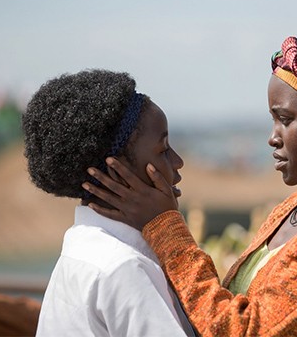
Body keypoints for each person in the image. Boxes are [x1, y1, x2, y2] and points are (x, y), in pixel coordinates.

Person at [84, 27, 297, 336]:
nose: (272, 138)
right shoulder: (296, 207)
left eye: (285, 119)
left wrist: (165, 227)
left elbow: (246, 331)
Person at [22, 69, 194, 336]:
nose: (177, 162)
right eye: (163, 149)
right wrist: (170, 230)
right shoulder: (124, 267)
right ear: (115, 172)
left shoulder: (84, 249)